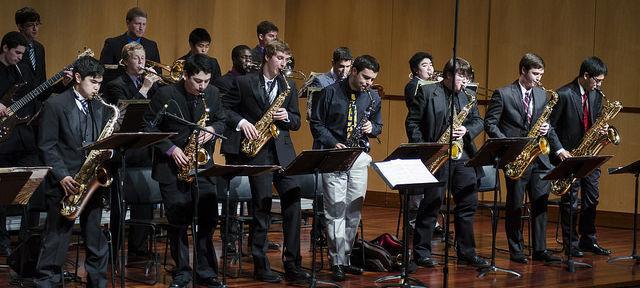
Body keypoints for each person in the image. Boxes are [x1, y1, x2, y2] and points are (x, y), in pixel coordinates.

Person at [221, 39, 308, 284]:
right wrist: (242, 123)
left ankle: (293, 264)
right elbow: (224, 110)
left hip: (283, 153)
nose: (284, 64)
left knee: (293, 203)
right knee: (262, 207)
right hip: (257, 152)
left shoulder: (288, 85)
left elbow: (298, 121)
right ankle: (261, 265)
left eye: (286, 60)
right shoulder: (244, 82)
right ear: (269, 57)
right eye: (280, 59)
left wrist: (288, 116)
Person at [144, 53, 226, 288]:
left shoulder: (211, 93)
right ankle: (181, 271)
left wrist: (211, 129)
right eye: (198, 81)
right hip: (172, 168)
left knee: (209, 219)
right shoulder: (165, 94)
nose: (203, 86)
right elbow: (148, 128)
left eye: (207, 81)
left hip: (202, 166)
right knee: (178, 222)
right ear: (186, 76)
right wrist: (170, 149)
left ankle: (206, 271)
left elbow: (221, 120)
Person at [34, 56, 110, 288]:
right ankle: (46, 282)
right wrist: (63, 176)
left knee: (96, 240)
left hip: (92, 182)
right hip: (65, 183)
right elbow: (46, 145)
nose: (97, 87)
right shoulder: (55, 104)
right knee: (56, 240)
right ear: (77, 78)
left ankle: (97, 283)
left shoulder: (100, 105)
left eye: (100, 82)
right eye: (93, 82)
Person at [406, 57, 488, 268]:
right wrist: (425, 148)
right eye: (462, 76)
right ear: (449, 76)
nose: (466, 81)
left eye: (467, 76)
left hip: (462, 156)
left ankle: (466, 252)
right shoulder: (427, 92)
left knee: (468, 205)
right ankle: (422, 252)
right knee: (431, 203)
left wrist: (467, 130)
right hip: (437, 154)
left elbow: (478, 121)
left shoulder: (468, 96)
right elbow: (412, 123)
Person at [309, 54, 382, 281]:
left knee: (353, 211)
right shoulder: (329, 92)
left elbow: (378, 125)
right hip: (334, 155)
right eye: (365, 77)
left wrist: (373, 127)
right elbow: (316, 124)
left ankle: (346, 257)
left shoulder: (372, 97)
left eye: (372, 79)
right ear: (353, 71)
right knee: (335, 211)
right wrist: (333, 142)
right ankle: (336, 261)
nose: (368, 83)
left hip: (358, 157)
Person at [484, 53, 562, 264]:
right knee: (515, 205)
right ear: (523, 71)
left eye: (541, 74)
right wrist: (510, 146)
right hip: (516, 159)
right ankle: (516, 249)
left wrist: (553, 140)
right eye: (535, 73)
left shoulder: (543, 95)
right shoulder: (503, 93)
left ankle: (540, 249)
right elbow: (490, 124)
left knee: (540, 204)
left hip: (539, 159)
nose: (539, 78)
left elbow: (547, 125)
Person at [103, 42, 161, 261]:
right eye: (136, 58)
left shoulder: (155, 86)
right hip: (124, 150)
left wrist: (157, 86)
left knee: (145, 200)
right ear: (125, 60)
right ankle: (115, 248)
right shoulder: (115, 84)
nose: (141, 62)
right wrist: (145, 88)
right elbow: (124, 111)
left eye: (143, 58)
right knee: (120, 202)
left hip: (146, 148)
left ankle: (138, 248)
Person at [549, 56, 612, 257]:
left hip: (590, 154)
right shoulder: (563, 94)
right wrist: (559, 150)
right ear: (586, 75)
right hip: (570, 156)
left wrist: (602, 131)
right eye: (598, 80)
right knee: (570, 202)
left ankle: (588, 240)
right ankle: (571, 244)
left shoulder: (596, 95)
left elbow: (593, 122)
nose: (600, 85)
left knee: (591, 199)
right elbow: (549, 127)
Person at [0, 31, 35, 256]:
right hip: (2, 140)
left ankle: (27, 238)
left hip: (21, 136)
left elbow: (35, 92)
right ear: (5, 48)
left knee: (30, 185)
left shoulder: (19, 69)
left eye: (23, 53)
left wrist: (62, 84)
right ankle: (2, 239)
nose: (20, 57)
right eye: (17, 52)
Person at [99, 7, 161, 88]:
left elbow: (158, 72)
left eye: (144, 24)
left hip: (148, 90)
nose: (141, 28)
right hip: (120, 89)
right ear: (128, 23)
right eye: (137, 24)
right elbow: (104, 72)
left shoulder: (152, 45)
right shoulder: (112, 44)